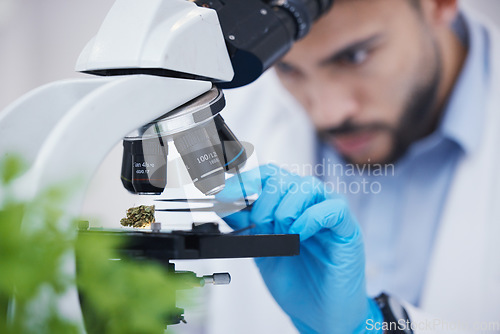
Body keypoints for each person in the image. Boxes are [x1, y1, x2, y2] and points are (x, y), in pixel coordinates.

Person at [213, 0, 500, 332]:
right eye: (288, 68)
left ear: (439, 5)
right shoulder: (227, 107)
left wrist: (376, 328)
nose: (328, 113)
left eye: (355, 56)